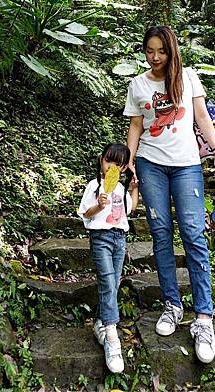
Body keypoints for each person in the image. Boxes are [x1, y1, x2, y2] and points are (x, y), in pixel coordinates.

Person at [124, 25, 215, 364]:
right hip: (150, 164)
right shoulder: (138, 84)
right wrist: (130, 162)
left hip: (186, 166)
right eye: (149, 51)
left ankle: (203, 318)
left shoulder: (189, 78)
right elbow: (137, 125)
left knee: (195, 236)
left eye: (161, 51)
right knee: (162, 235)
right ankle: (172, 305)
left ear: (171, 52)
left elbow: (201, 117)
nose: (154, 58)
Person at [78, 143, 139, 373]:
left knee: (113, 284)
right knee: (107, 281)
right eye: (108, 161)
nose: (111, 166)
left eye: (118, 164)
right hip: (100, 238)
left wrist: (134, 189)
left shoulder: (121, 190)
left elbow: (130, 209)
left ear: (123, 168)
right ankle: (112, 337)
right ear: (101, 160)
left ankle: (101, 324)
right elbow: (85, 213)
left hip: (119, 239)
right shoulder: (95, 186)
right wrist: (98, 204)